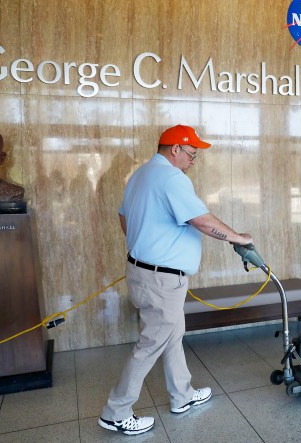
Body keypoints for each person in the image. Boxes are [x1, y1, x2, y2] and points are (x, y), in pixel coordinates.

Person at [98, 124, 253, 436]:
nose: (193, 161)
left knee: (171, 335)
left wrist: (146, 242)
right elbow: (201, 220)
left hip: (145, 272)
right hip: (161, 280)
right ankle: (115, 412)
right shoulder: (172, 179)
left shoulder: (141, 174)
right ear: (175, 150)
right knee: (152, 342)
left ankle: (181, 395)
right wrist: (238, 237)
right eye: (192, 154)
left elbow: (123, 216)